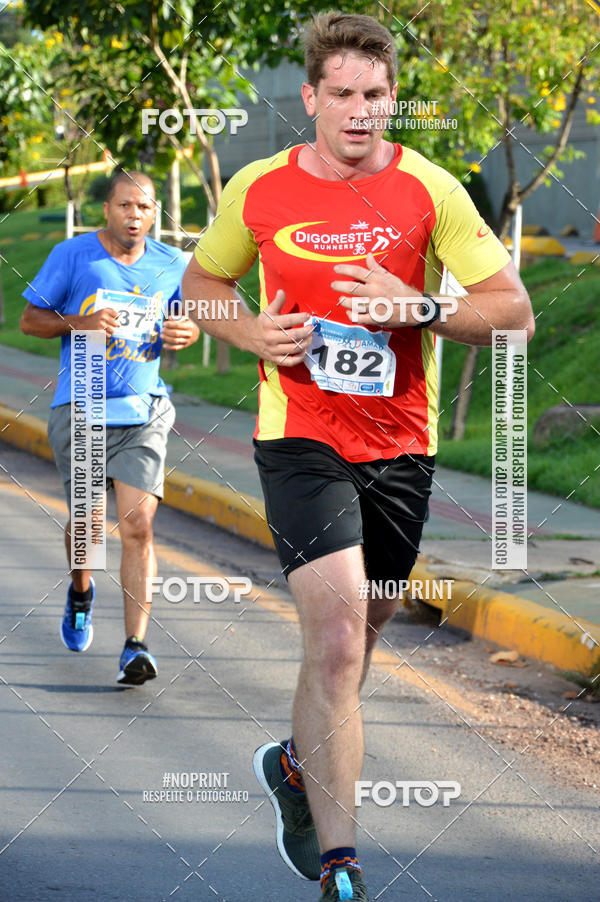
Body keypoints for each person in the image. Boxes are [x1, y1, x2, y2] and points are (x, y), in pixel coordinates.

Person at [182, 11, 534, 900]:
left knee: (361, 638)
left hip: (400, 447)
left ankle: (298, 766)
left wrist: (415, 307)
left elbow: (513, 311)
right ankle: (341, 863)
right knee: (337, 641)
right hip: (299, 436)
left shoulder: (431, 191)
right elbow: (202, 283)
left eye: (375, 95)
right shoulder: (259, 190)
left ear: (391, 100)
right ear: (311, 98)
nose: (359, 112)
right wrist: (251, 331)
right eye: (341, 94)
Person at [21, 169, 199, 685]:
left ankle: (135, 646)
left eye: (144, 209)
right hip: (81, 407)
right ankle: (81, 591)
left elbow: (187, 319)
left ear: (154, 214)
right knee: (89, 530)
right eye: (125, 206)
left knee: (139, 525)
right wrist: (80, 323)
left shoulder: (171, 263)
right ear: (107, 209)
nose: (135, 217)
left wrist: (185, 330)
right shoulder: (74, 255)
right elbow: (30, 321)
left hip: (143, 412)